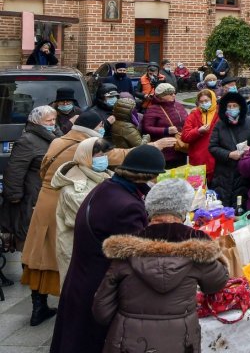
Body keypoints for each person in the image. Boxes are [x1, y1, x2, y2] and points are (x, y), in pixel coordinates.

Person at [50, 144, 165, 353]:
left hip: (81, 279)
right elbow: (137, 255)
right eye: (156, 176)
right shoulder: (127, 206)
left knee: (75, 340)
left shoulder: (107, 187)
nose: (156, 181)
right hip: (97, 286)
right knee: (91, 342)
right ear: (145, 176)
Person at [92, 178, 229, 353]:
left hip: (128, 344)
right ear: (182, 212)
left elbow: (101, 311)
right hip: (181, 343)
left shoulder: (124, 252)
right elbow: (216, 284)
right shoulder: (197, 250)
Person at [21, 112, 123, 309]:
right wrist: (154, 146)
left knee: (40, 255)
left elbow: (43, 168)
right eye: (100, 125)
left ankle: (38, 306)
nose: (102, 128)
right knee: (58, 254)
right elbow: (116, 156)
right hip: (62, 199)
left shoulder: (58, 140)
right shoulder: (85, 146)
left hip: (46, 198)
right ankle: (63, 303)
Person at [54, 136, 115, 284]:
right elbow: (91, 218)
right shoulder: (74, 186)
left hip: (98, 248)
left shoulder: (107, 175)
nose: (103, 159)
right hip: (79, 250)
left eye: (105, 155)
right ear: (86, 156)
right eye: (99, 155)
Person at [1, 106, 57, 255]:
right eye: (48, 120)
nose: (52, 123)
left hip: (47, 192)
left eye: (54, 119)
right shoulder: (27, 140)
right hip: (32, 195)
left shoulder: (55, 135)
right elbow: (15, 171)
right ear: (37, 122)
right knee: (29, 237)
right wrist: (14, 196)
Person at [207, 91, 250, 209]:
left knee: (241, 205)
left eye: (235, 106)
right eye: (229, 106)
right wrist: (228, 154)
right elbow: (212, 146)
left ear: (241, 107)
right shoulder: (220, 124)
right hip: (224, 172)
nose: (232, 109)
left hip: (243, 171)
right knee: (223, 205)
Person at [140, 83, 189, 167]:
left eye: (174, 93)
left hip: (181, 147)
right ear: (161, 96)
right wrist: (166, 130)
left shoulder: (178, 105)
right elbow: (146, 128)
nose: (173, 95)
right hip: (165, 151)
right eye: (170, 94)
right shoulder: (153, 109)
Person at [180, 86, 219, 178]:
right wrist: (198, 131)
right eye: (201, 102)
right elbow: (185, 136)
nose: (204, 103)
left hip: (217, 160)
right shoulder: (193, 115)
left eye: (206, 101)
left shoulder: (220, 115)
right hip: (198, 160)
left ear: (212, 100)